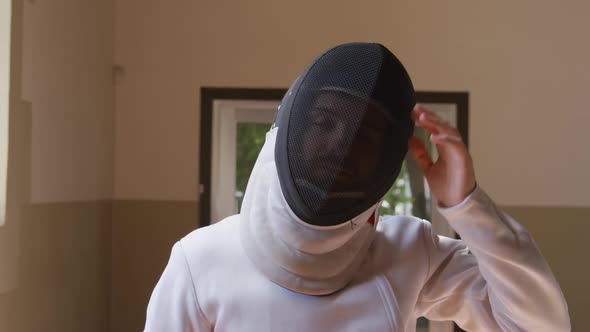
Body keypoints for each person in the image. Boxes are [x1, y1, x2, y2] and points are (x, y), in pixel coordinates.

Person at [144, 43, 570, 331]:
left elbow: (537, 325)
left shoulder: (409, 251)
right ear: (288, 126)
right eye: (324, 121)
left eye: (363, 135)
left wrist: (466, 205)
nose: (340, 145)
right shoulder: (199, 262)